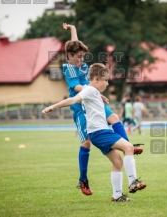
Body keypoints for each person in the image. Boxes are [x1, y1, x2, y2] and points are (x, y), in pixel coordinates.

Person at [42, 63, 147, 202]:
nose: (108, 84)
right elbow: (73, 99)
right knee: (128, 147)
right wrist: (53, 107)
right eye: (106, 80)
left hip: (98, 134)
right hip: (100, 133)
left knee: (117, 162)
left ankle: (117, 195)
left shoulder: (93, 91)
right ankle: (133, 181)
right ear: (97, 79)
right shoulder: (89, 90)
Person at [61, 23, 141, 196]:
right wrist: (94, 92)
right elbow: (76, 88)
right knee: (86, 142)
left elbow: (74, 45)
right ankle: (83, 179)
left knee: (114, 118)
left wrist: (73, 29)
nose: (81, 60)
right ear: (70, 56)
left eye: (83, 57)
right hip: (79, 105)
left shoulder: (80, 63)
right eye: (78, 57)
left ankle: (128, 146)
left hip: (91, 97)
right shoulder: (68, 68)